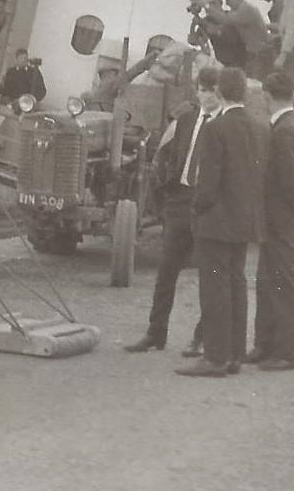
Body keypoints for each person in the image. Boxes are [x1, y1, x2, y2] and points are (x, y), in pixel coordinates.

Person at [176, 67, 268, 377]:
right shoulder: (259, 128)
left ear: (220, 93)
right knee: (237, 284)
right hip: (244, 220)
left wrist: (197, 209)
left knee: (214, 289)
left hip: (215, 221)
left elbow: (208, 183)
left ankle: (214, 357)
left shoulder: (216, 129)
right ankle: (234, 355)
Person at [124, 65, 220, 357]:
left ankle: (201, 338)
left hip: (208, 207)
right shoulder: (187, 119)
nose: (206, 96)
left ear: (221, 93)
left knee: (208, 274)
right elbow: (168, 155)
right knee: (166, 271)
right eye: (202, 90)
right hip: (180, 201)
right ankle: (155, 333)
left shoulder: (225, 125)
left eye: (211, 91)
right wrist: (167, 192)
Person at [246, 72, 294, 371]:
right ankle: (266, 345)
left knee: (284, 286)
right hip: (276, 221)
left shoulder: (283, 130)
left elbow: (291, 183)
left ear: (267, 96)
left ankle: (286, 352)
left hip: (281, 221)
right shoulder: (286, 125)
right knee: (269, 283)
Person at [200, 0, 269, 78]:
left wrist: (205, 6)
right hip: (252, 55)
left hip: (258, 55)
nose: (227, 3)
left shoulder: (246, 9)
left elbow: (226, 19)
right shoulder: (239, 11)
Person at [82, 52, 159, 112]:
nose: (118, 75)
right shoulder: (110, 84)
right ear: (109, 73)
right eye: (116, 73)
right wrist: (145, 62)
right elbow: (130, 74)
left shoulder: (100, 88)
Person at [189, 0, 246, 69]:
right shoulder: (207, 20)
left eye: (213, 3)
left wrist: (201, 22)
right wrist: (193, 25)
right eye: (207, 4)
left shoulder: (231, 16)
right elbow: (193, 41)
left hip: (240, 62)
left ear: (221, 4)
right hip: (220, 62)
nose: (210, 6)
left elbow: (222, 32)